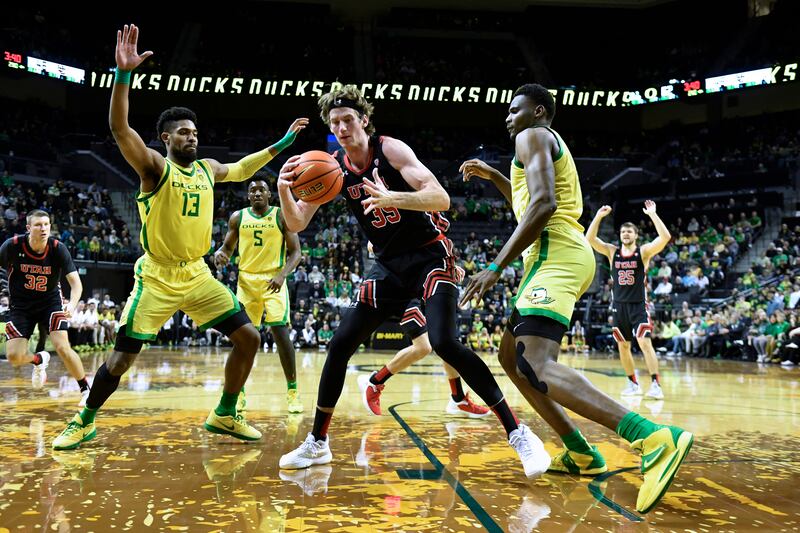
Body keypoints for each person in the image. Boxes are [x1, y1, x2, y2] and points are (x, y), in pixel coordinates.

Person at [52, 24, 305, 450]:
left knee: (249, 337)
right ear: (167, 138)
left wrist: (282, 143)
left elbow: (241, 169)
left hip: (198, 275)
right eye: (184, 132)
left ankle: (225, 412)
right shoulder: (154, 167)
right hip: (157, 276)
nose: (193, 136)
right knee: (121, 359)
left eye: (195, 132)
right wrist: (123, 75)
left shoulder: (206, 168)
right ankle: (85, 418)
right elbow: (119, 130)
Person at [276, 85, 549, 477]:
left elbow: (441, 198)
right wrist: (286, 190)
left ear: (364, 120)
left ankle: (519, 433)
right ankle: (318, 443)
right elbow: (297, 221)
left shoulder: (390, 150)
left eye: (348, 120)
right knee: (339, 345)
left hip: (429, 255)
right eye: (335, 123)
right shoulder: (332, 166)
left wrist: (394, 199)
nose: (342, 128)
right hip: (387, 266)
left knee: (443, 343)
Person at [458, 83, 692, 514]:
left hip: (558, 256)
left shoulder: (534, 136)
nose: (508, 117)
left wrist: (494, 267)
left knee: (537, 363)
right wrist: (494, 177)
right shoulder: (532, 147)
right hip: (555, 256)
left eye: (515, 109)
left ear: (539, 111)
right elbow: (529, 203)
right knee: (513, 359)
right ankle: (579, 451)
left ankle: (653, 437)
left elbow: (543, 205)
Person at [214, 179, 304, 413]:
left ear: (269, 195)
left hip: (273, 280)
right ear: (247, 196)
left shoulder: (281, 215)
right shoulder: (238, 218)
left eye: (261, 189)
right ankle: (238, 393)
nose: (256, 193)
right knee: (243, 340)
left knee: (281, 334)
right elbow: (227, 248)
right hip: (246, 281)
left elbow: (296, 253)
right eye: (252, 190)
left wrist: (282, 275)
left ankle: (293, 391)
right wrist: (220, 254)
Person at [0, 210, 90, 405]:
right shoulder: (12, 246)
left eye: (46, 224)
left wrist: (72, 305)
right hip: (20, 306)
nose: (43, 228)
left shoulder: (58, 248)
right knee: (14, 356)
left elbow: (76, 283)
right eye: (38, 225)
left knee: (62, 347)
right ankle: (38, 361)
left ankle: (85, 389)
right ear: (28, 228)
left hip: (50, 302)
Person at [585, 201, 670, 399]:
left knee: (644, 343)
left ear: (636, 236)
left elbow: (665, 237)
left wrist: (653, 215)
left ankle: (656, 384)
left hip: (639, 305)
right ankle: (633, 383)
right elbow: (590, 239)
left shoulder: (644, 252)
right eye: (623, 231)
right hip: (619, 306)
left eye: (630, 232)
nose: (626, 234)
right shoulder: (612, 252)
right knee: (623, 346)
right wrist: (598, 216)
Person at [357, 298, 490, 418]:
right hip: (411, 289)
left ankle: (458, 399)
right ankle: (375, 382)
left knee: (447, 344)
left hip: (434, 292)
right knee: (423, 347)